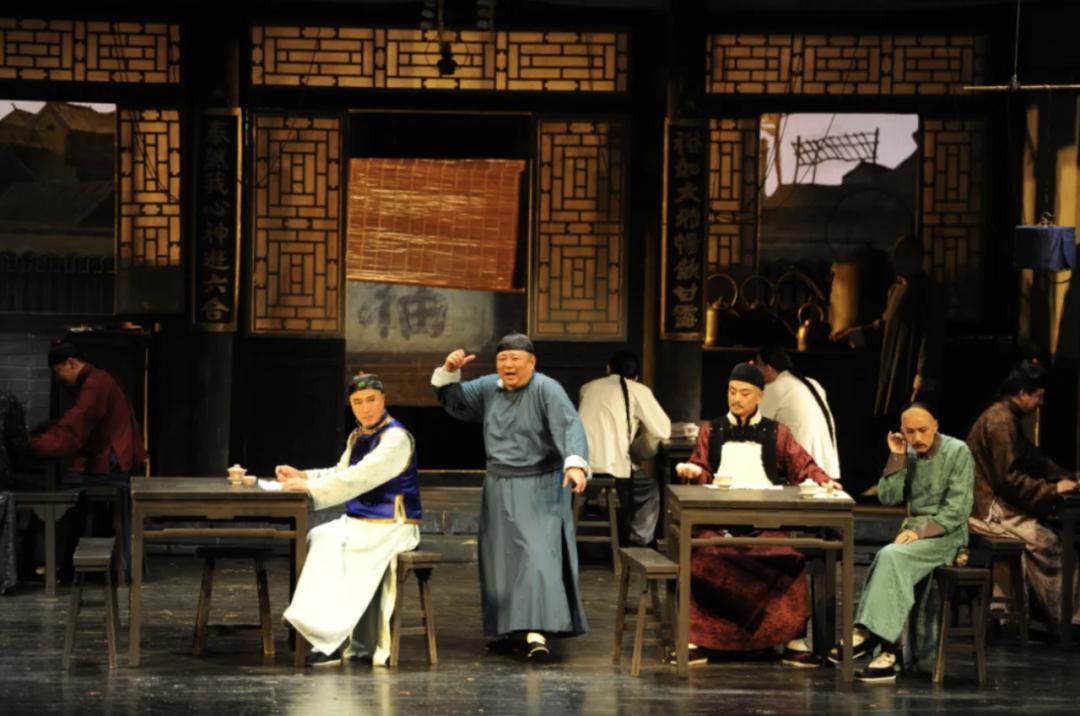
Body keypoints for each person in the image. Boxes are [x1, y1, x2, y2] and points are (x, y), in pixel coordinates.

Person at [431, 333, 589, 659]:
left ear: (532, 362)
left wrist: (575, 464)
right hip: (499, 484)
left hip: (540, 484)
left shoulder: (547, 389)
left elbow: (569, 426)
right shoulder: (490, 387)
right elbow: (455, 402)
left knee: (537, 557)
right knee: (500, 560)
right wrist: (449, 372)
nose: (508, 365)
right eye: (503, 359)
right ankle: (510, 629)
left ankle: (538, 630)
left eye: (516, 359)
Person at [675, 363, 836, 667]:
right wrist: (694, 472)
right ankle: (698, 640)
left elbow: (803, 466)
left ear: (760, 396)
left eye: (745, 393)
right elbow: (701, 467)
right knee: (703, 556)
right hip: (719, 525)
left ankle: (793, 640)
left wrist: (823, 480)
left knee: (789, 557)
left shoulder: (778, 432)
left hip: (765, 525)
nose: (736, 399)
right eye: (732, 391)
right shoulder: (712, 430)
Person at [277, 373, 422, 666]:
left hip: (393, 525)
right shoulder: (357, 436)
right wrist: (304, 475)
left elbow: (360, 477)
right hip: (361, 520)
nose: (366, 408)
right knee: (321, 537)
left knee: (351, 552)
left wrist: (309, 488)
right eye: (358, 402)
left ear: (383, 400)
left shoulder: (396, 438)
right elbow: (340, 472)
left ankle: (328, 639)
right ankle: (312, 623)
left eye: (371, 400)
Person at [832, 403, 973, 683]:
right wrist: (896, 458)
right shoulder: (907, 453)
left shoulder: (958, 451)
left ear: (936, 426)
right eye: (910, 432)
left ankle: (869, 636)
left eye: (923, 430)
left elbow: (958, 509)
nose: (917, 438)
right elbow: (888, 497)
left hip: (947, 534)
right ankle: (886, 653)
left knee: (891, 555)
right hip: (912, 534)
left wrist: (920, 532)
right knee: (891, 557)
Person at [967, 360, 1080, 629]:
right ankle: (1071, 619)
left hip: (994, 502)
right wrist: (1053, 490)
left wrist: (1069, 477)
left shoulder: (1006, 418)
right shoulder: (1000, 421)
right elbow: (1009, 480)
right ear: (1022, 393)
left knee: (1050, 536)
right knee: (1051, 545)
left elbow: (1033, 458)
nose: (1041, 403)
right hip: (988, 509)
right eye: (1039, 396)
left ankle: (1053, 613)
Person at [29, 342, 145, 572]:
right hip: (110, 457)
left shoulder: (95, 383)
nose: (59, 379)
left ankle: (57, 562)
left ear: (71, 363)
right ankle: (66, 562)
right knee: (68, 491)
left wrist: (36, 445)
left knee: (62, 496)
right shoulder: (97, 380)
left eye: (58, 372)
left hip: (111, 461)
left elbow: (76, 424)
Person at [831, 235, 945, 417]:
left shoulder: (928, 292)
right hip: (893, 371)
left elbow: (931, 339)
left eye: (902, 257)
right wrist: (853, 334)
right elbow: (883, 327)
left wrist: (923, 381)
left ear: (915, 259)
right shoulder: (896, 291)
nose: (896, 263)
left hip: (910, 375)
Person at [578, 350, 671, 547]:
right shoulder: (638, 390)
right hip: (615, 470)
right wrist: (639, 452)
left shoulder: (587, 388)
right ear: (636, 377)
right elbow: (662, 430)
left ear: (608, 369)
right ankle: (638, 541)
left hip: (580, 468)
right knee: (649, 488)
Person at [756, 344, 840, 480]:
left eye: (758, 367)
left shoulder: (774, 389)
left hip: (806, 474)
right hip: (829, 469)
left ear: (768, 369)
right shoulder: (813, 383)